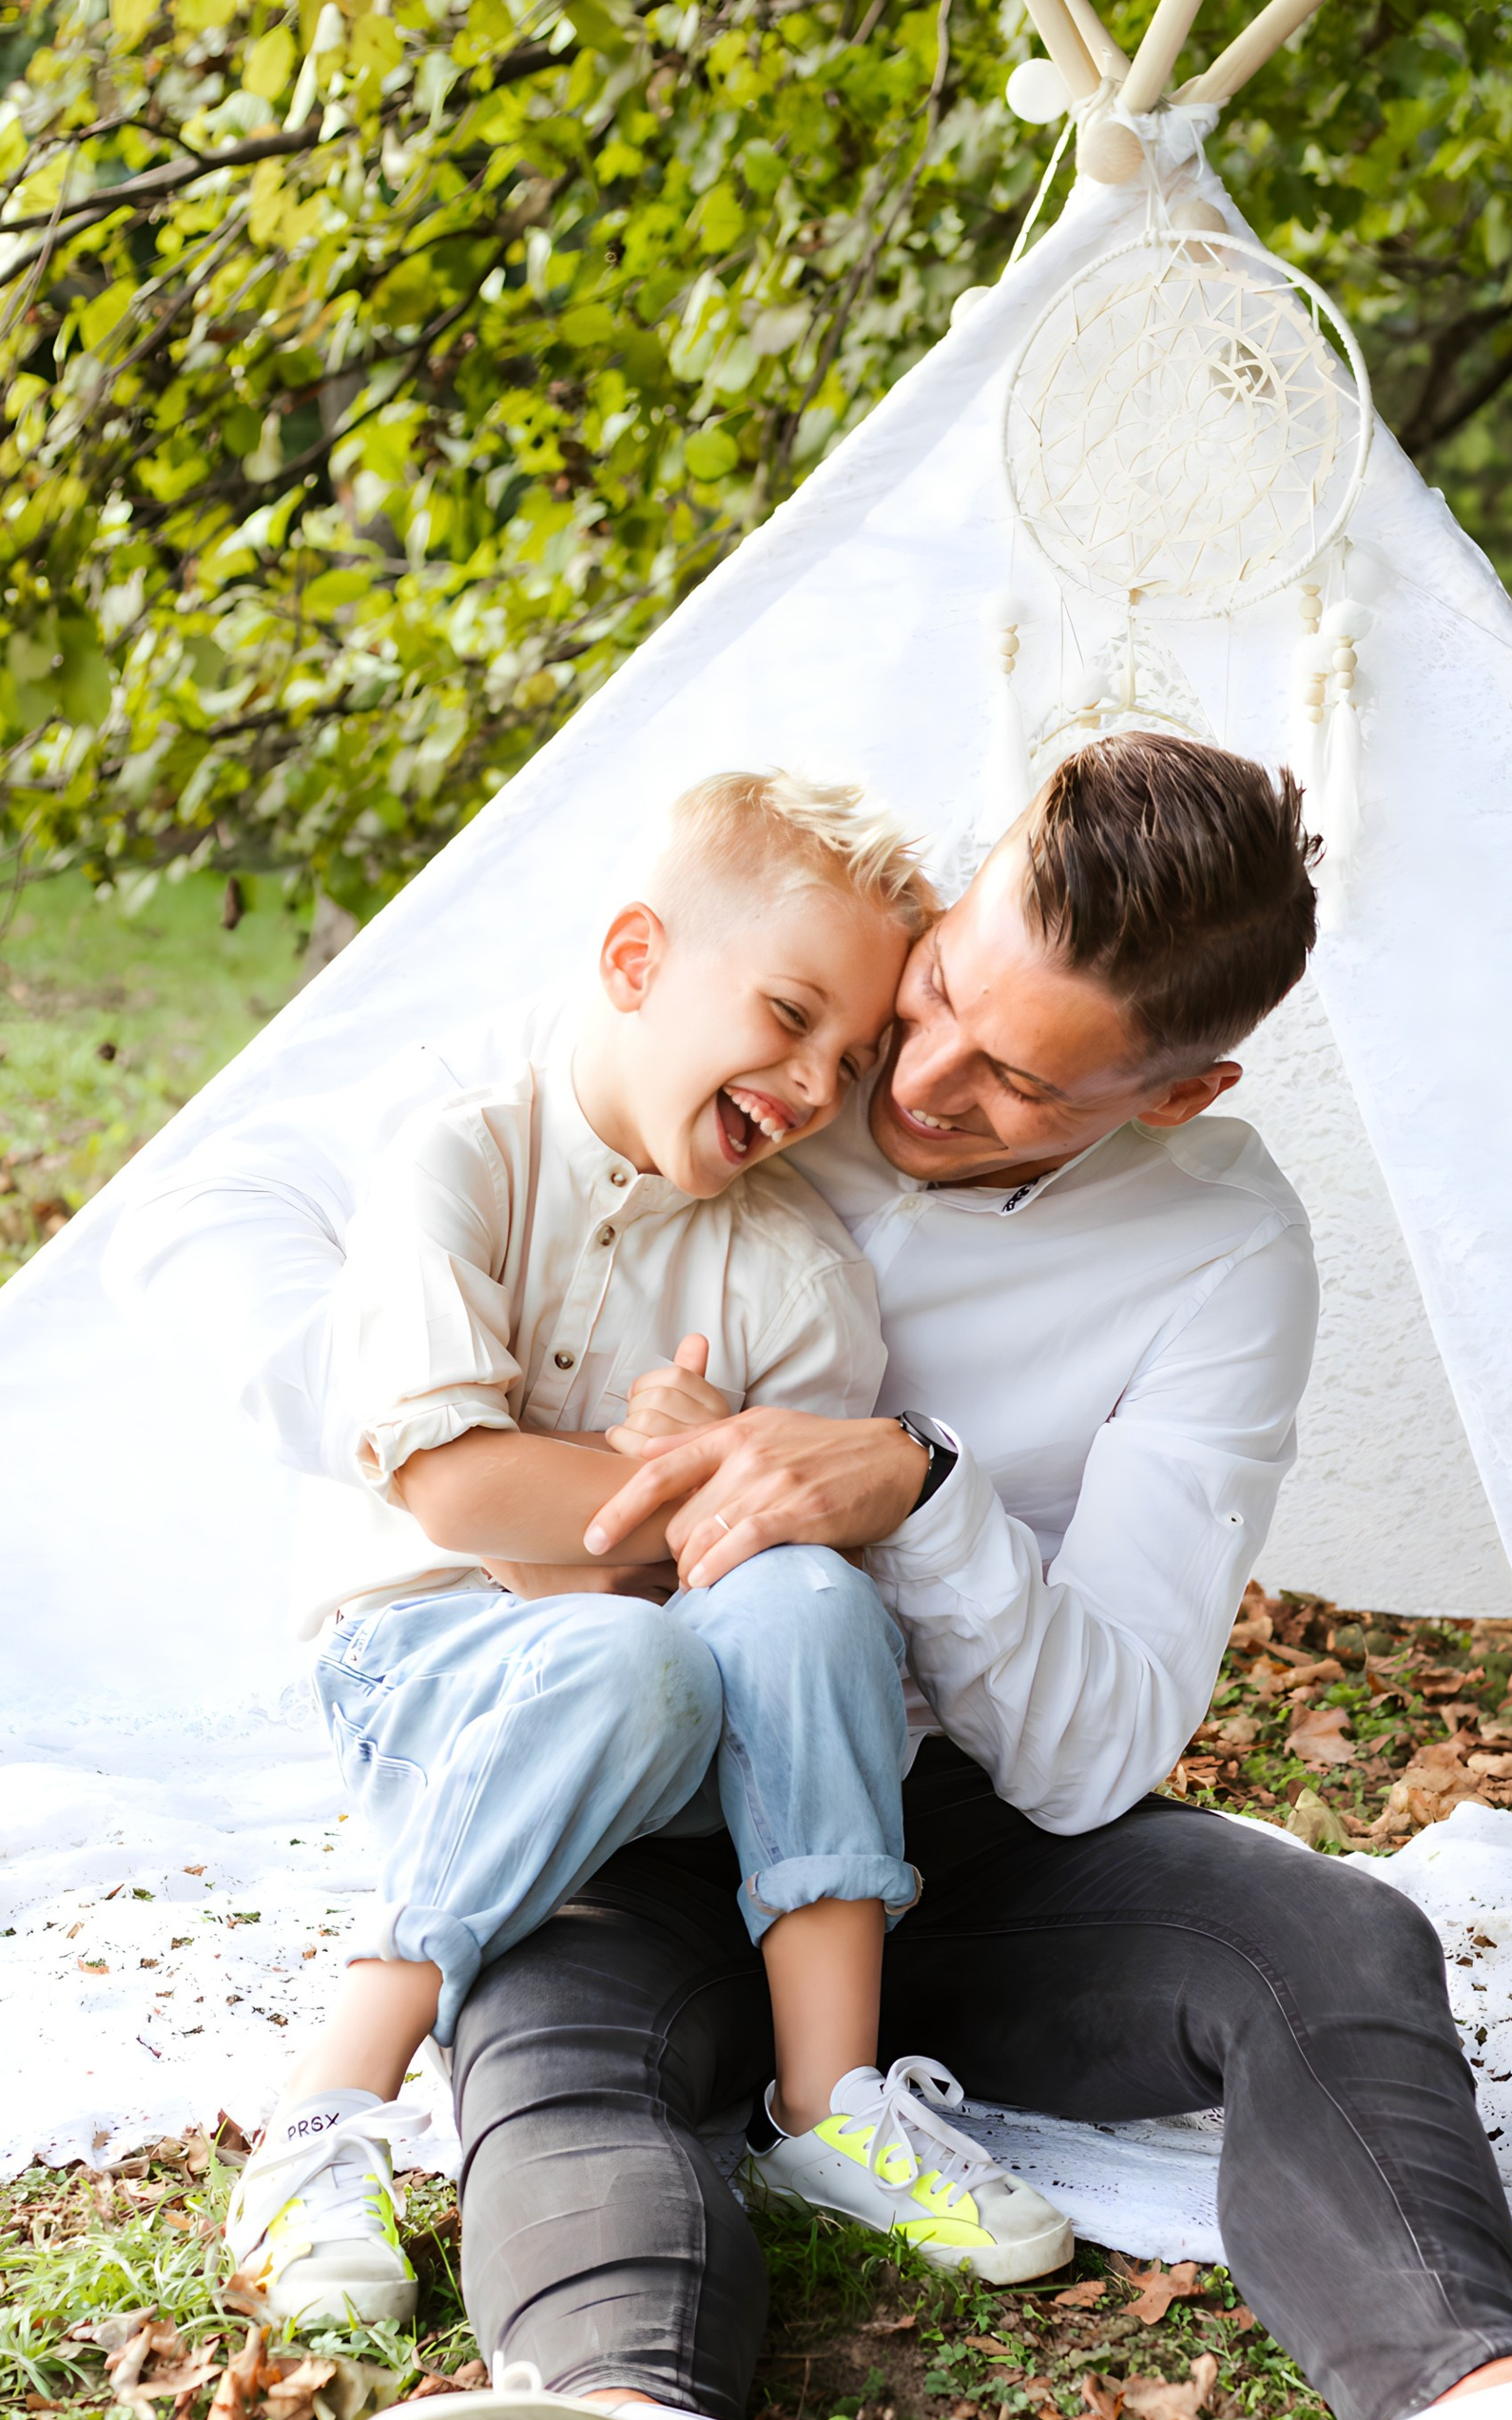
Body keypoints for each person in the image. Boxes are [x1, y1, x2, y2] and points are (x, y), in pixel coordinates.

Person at [120, 730, 1512, 2420]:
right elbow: (241, 1201)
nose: (905, 1086)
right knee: (562, 2016)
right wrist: (488, 1471)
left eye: (1014, 1078)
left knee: (1330, 1937)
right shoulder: (758, 1033)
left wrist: (915, 1490)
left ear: (1178, 1094)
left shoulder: (1220, 1251)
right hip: (623, 1774)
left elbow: (1095, 1749)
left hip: (934, 1833)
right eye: (934, 999)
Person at [223, 770, 1071, 2332]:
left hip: (670, 1700)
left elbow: (769, 1599)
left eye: (853, 1053)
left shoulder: (798, 1269)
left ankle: (835, 2106)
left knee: (807, 1593)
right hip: (424, 1662)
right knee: (634, 1647)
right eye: (790, 1012)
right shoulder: (465, 1160)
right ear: (635, 964)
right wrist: (691, 1479)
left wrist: (719, 1500)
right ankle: (319, 2118)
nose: (818, 1083)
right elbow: (459, 1498)